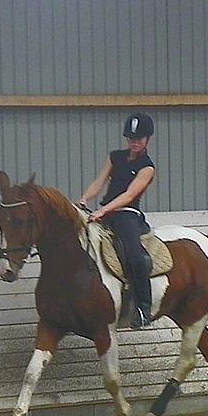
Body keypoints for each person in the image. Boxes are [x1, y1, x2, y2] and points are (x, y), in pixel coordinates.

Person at [79, 112, 156, 329]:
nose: (134, 143)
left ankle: (143, 308)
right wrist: (84, 200)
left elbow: (130, 195)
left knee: (135, 256)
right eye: (131, 139)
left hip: (126, 214)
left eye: (139, 139)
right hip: (105, 211)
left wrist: (104, 210)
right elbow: (99, 182)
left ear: (147, 139)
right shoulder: (115, 157)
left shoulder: (147, 167)